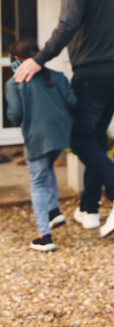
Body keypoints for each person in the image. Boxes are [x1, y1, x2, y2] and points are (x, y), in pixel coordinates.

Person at [14, 0, 114, 237]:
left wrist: (38, 60)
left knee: (81, 138)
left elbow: (68, 23)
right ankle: (89, 209)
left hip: (93, 73)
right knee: (97, 138)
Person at [6, 38, 76, 252]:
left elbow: (15, 116)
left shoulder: (14, 83)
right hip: (60, 136)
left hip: (37, 137)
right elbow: (73, 102)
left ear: (17, 60)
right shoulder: (57, 76)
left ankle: (44, 236)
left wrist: (11, 116)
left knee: (37, 182)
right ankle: (54, 211)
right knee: (47, 169)